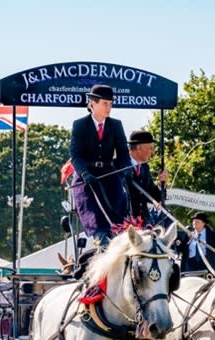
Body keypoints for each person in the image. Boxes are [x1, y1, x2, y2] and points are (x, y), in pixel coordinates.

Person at [69, 83, 131, 247]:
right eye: (105, 103)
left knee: (118, 210)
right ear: (92, 103)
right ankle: (101, 243)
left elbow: (124, 154)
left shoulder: (116, 125)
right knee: (95, 216)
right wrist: (84, 173)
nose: (109, 107)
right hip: (86, 179)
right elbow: (75, 155)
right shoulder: (80, 125)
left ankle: (119, 241)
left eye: (111, 104)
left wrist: (122, 171)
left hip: (109, 176)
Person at [125, 130, 168, 226]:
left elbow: (154, 197)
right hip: (124, 223)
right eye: (151, 148)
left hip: (143, 223)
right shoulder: (118, 166)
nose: (152, 152)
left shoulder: (144, 168)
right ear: (139, 148)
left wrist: (161, 184)